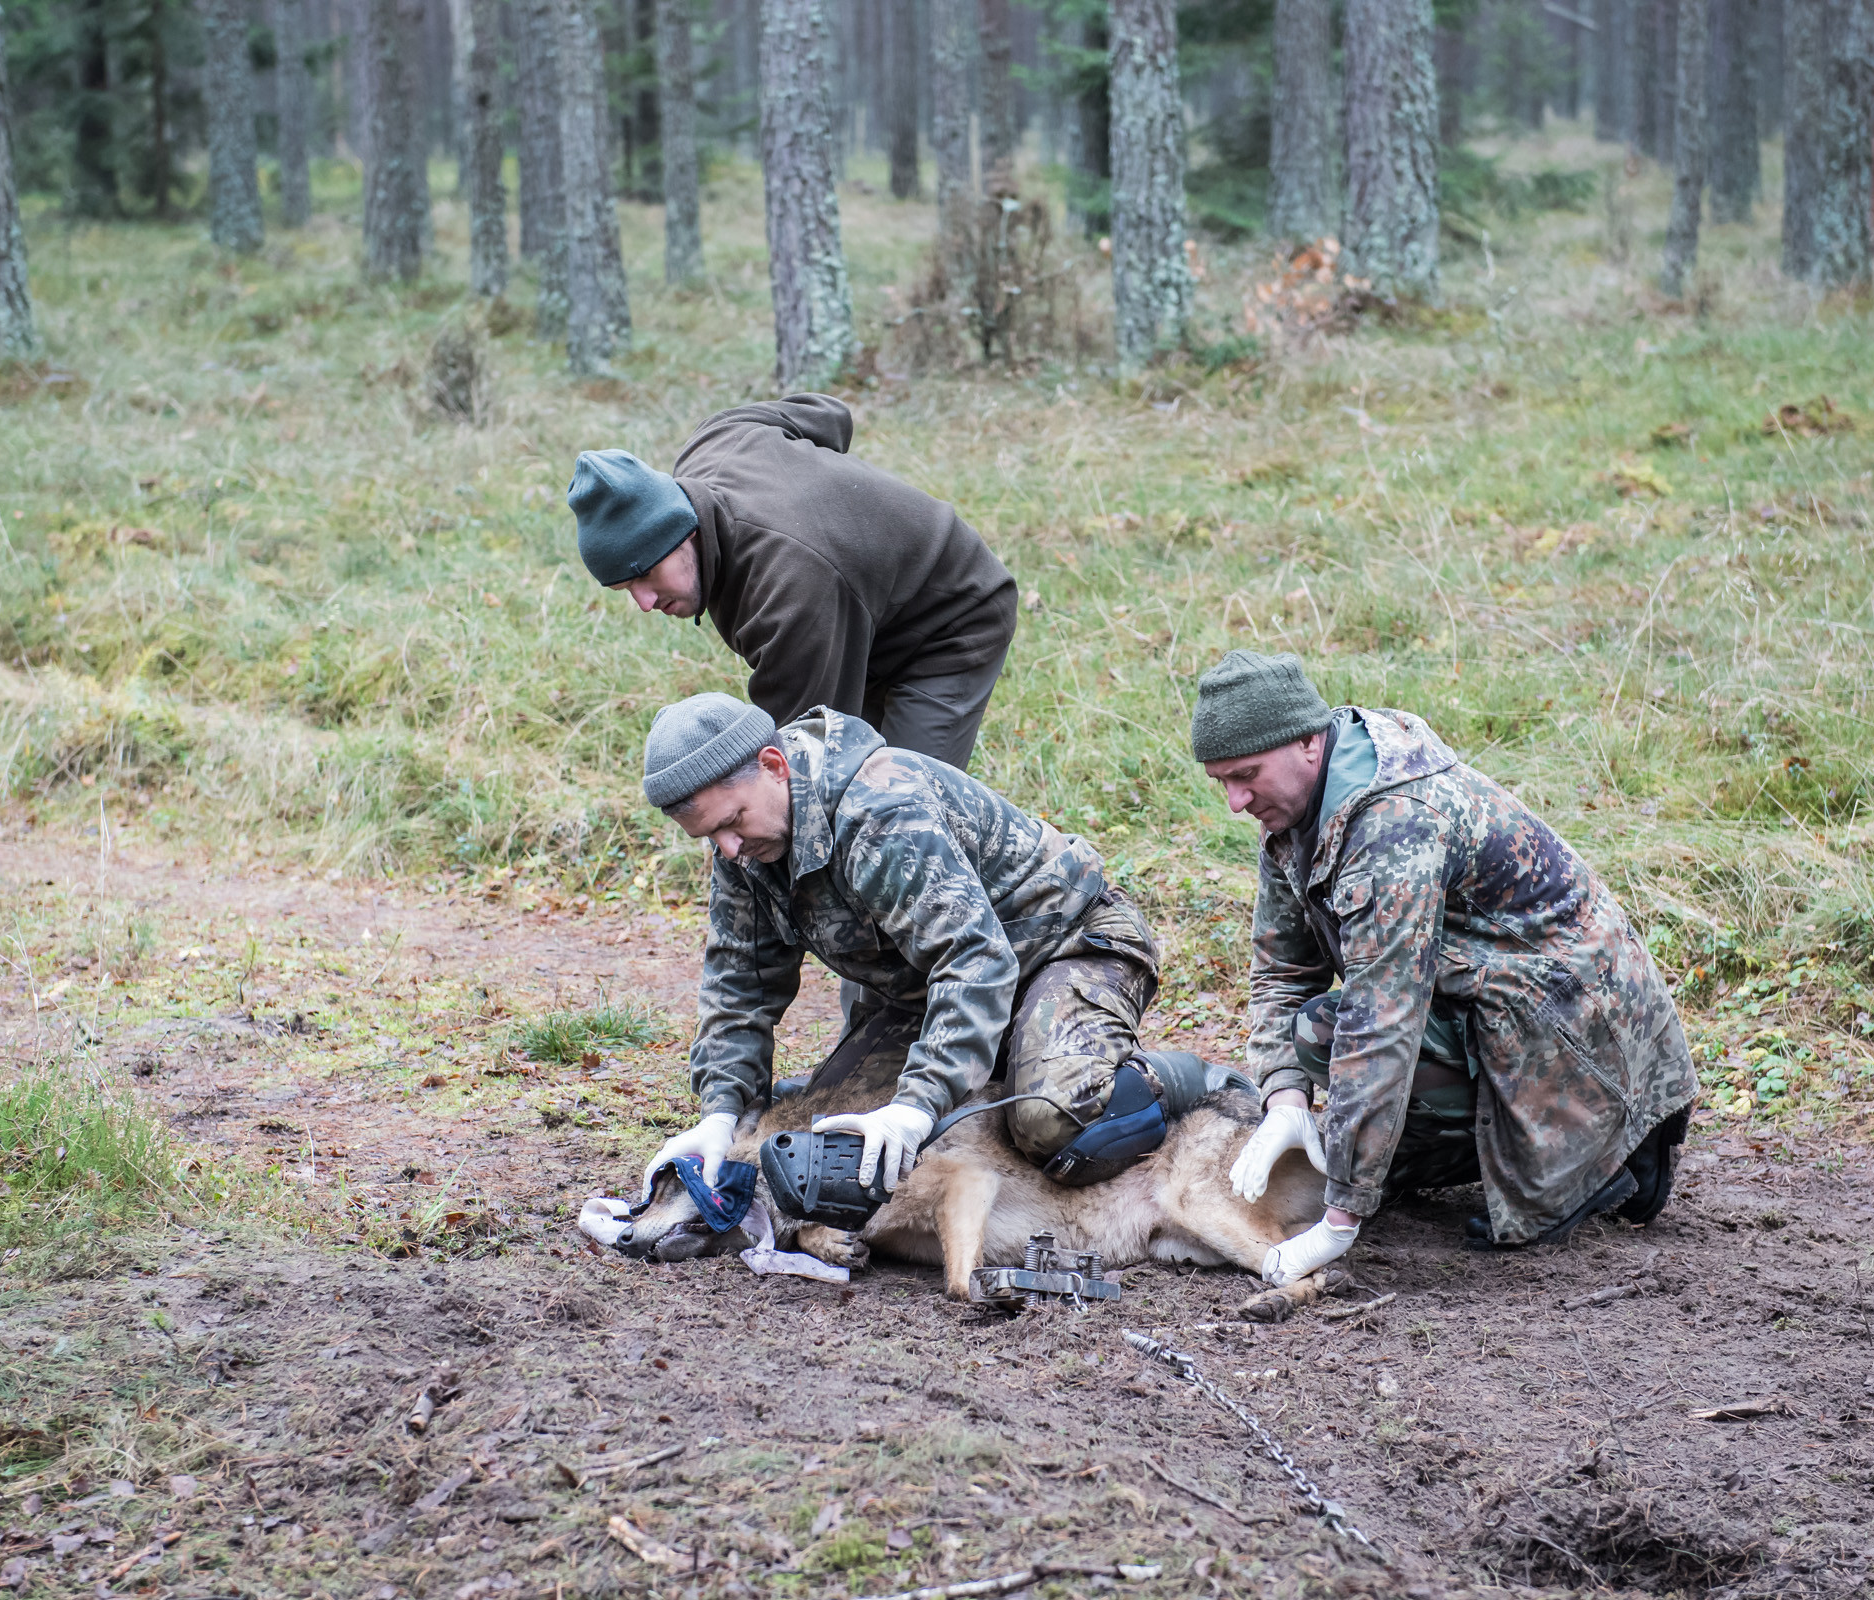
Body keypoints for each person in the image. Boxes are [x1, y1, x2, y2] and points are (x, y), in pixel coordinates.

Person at [1189, 651, 1698, 1285]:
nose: (1235, 801)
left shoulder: (1395, 826)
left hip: (1580, 1029)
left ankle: (1600, 1150)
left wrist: (1341, 1216)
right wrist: (1285, 1100)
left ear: (1307, 744)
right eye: (1221, 782)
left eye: (1246, 775)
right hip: (1487, 1005)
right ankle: (1492, 1146)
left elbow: (1383, 1022)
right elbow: (1283, 973)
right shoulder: (1294, 811)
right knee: (1320, 1043)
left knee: (1340, 1045)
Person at [633, 692, 1220, 1201]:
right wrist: (723, 1112)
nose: (729, 849)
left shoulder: (880, 812)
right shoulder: (745, 848)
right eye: (709, 836)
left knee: (1054, 1124)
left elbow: (975, 959)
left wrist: (918, 1102)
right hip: (929, 987)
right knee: (832, 1130)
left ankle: (1184, 1081)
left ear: (773, 765)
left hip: (1067, 946)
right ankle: (1005, 1064)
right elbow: (740, 984)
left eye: (732, 822)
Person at [568, 393, 1016, 772]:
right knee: (854, 781)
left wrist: (830, 517)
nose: (644, 602)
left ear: (683, 531)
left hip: (952, 619)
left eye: (646, 574)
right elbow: (825, 412)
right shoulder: (715, 440)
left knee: (900, 807)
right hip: (856, 616)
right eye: (626, 589)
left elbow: (795, 772)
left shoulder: (789, 591)